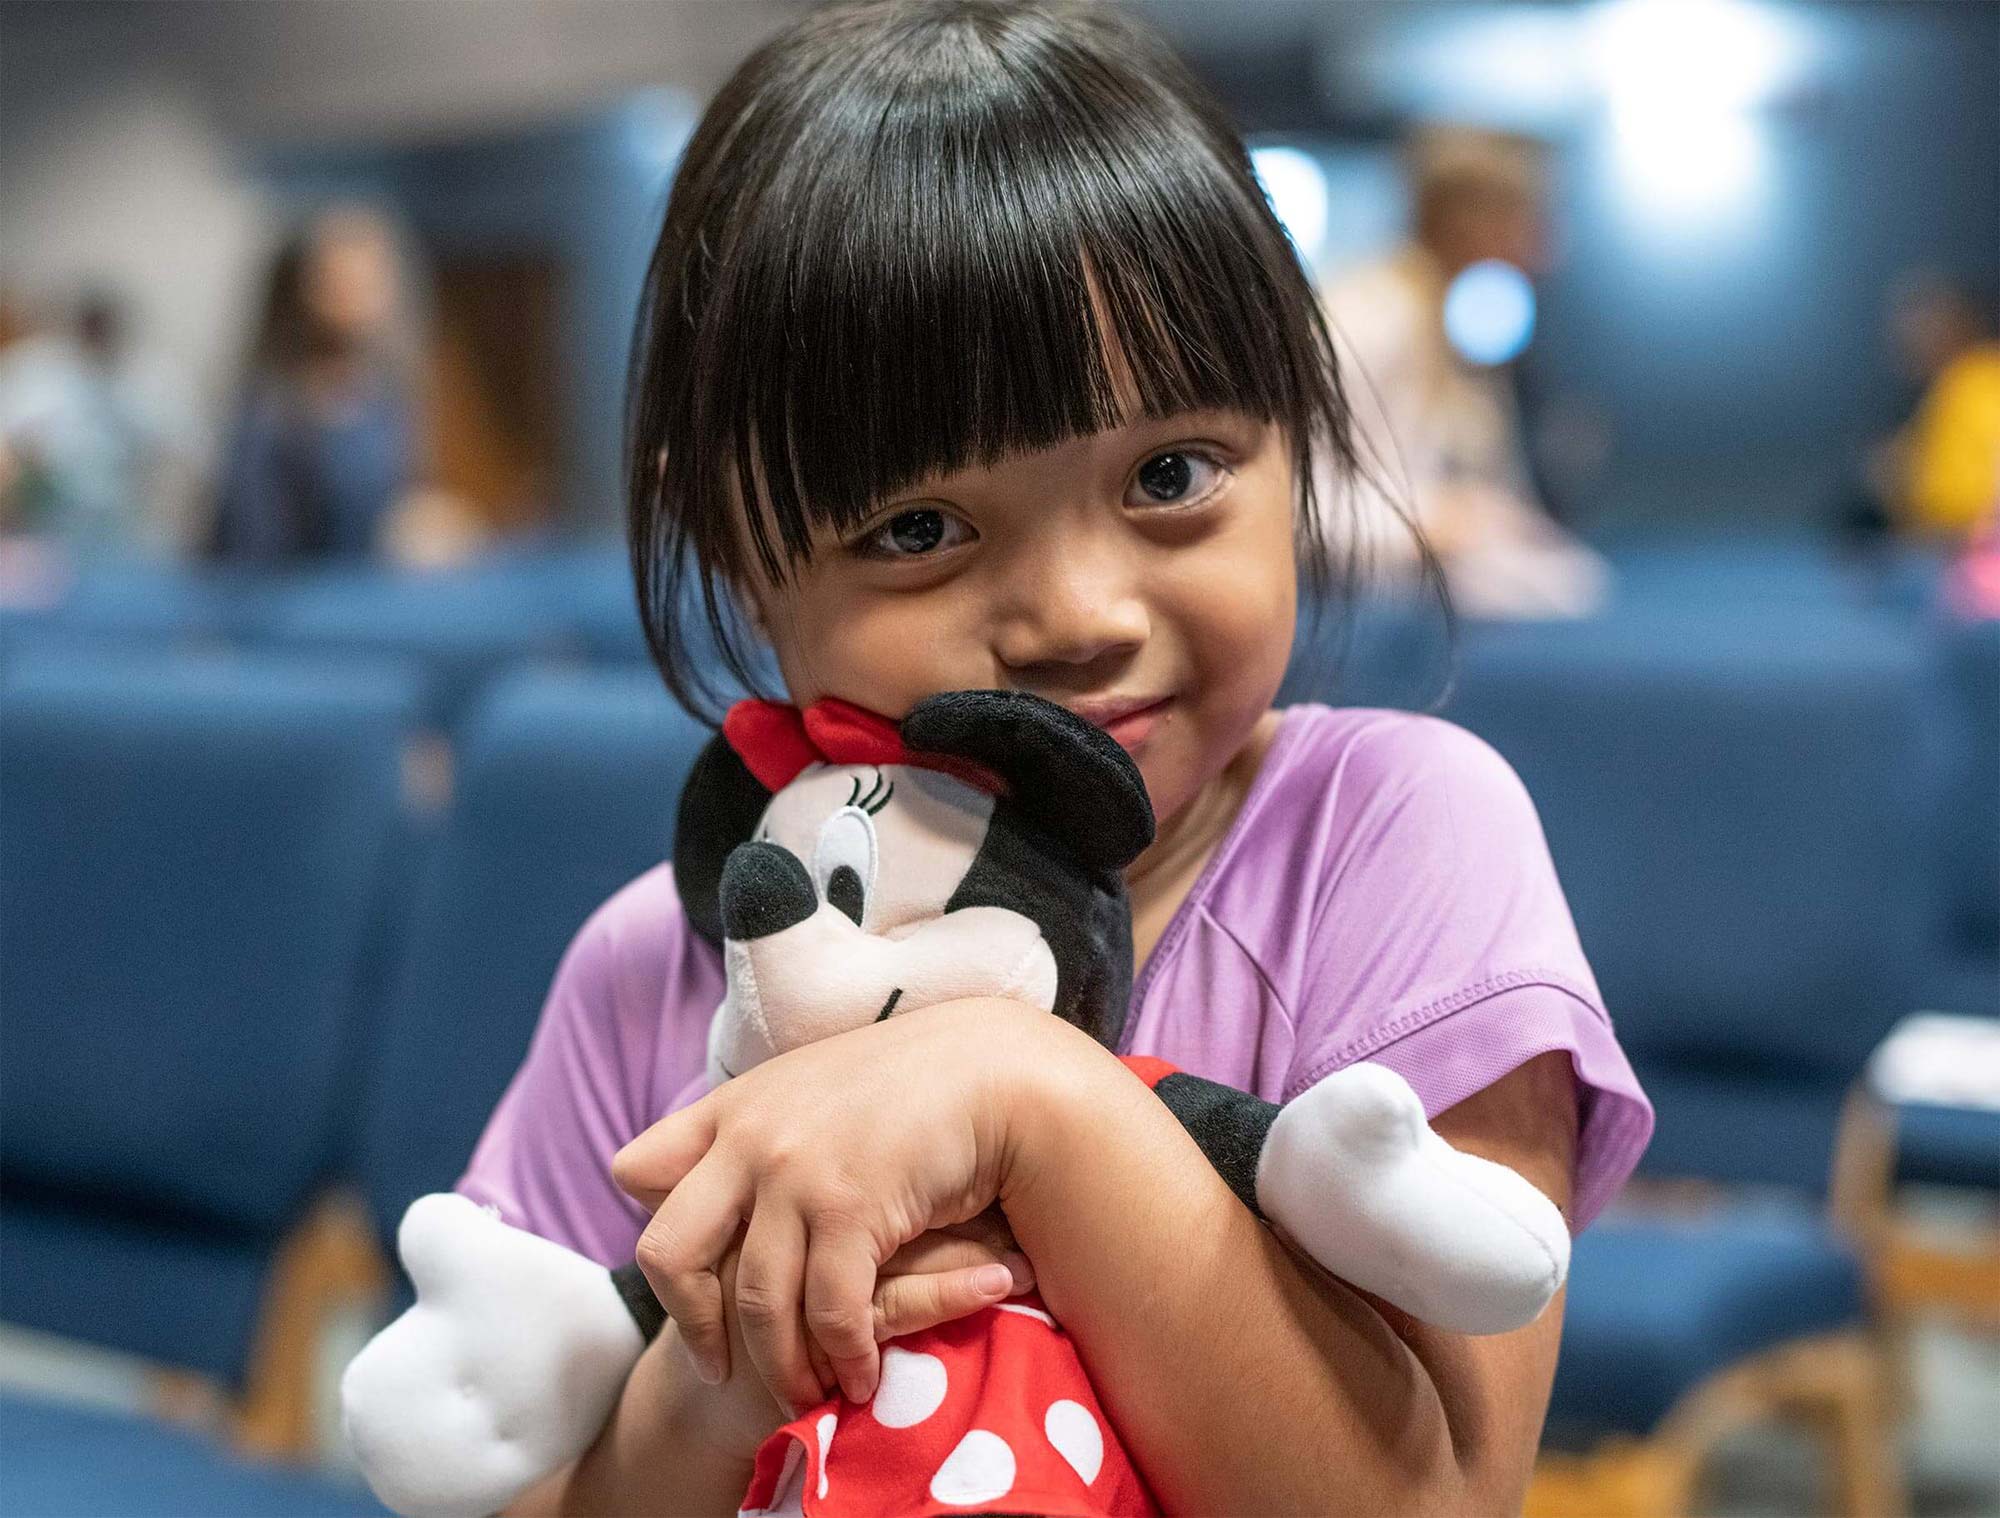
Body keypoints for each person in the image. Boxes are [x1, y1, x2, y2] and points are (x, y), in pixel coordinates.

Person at [460, 4, 1652, 1513]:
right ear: (739, 553)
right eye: (918, 531)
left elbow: (1435, 1497)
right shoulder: (657, 967)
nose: (1078, 618)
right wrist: (742, 1366)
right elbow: (526, 1486)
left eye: (1171, 476)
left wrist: (1028, 1100)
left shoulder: (1394, 837)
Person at [1320, 126, 1611, 618]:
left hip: (1413, 588)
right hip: (1362, 604)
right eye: (1532, 218)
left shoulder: (1448, 319)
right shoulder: (1367, 316)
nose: (1548, 245)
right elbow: (1304, 505)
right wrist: (1444, 522)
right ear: (1475, 219)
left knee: (1572, 581)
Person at [209, 206, 453, 563]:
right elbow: (252, 545)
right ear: (307, 289)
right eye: (343, 281)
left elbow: (401, 501)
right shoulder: (274, 412)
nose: (363, 294)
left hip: (369, 603)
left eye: (374, 279)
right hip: (295, 606)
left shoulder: (389, 396)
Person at [0, 288, 195, 554]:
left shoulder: (152, 379)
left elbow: (188, 448)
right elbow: (10, 445)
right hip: (43, 526)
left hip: (122, 527)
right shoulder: (35, 371)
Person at [1877, 273, 2000, 543]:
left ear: (1961, 322)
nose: (1908, 338)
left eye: (1925, 321)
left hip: (1970, 556)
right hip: (1940, 552)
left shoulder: (1983, 380)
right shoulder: (1939, 394)